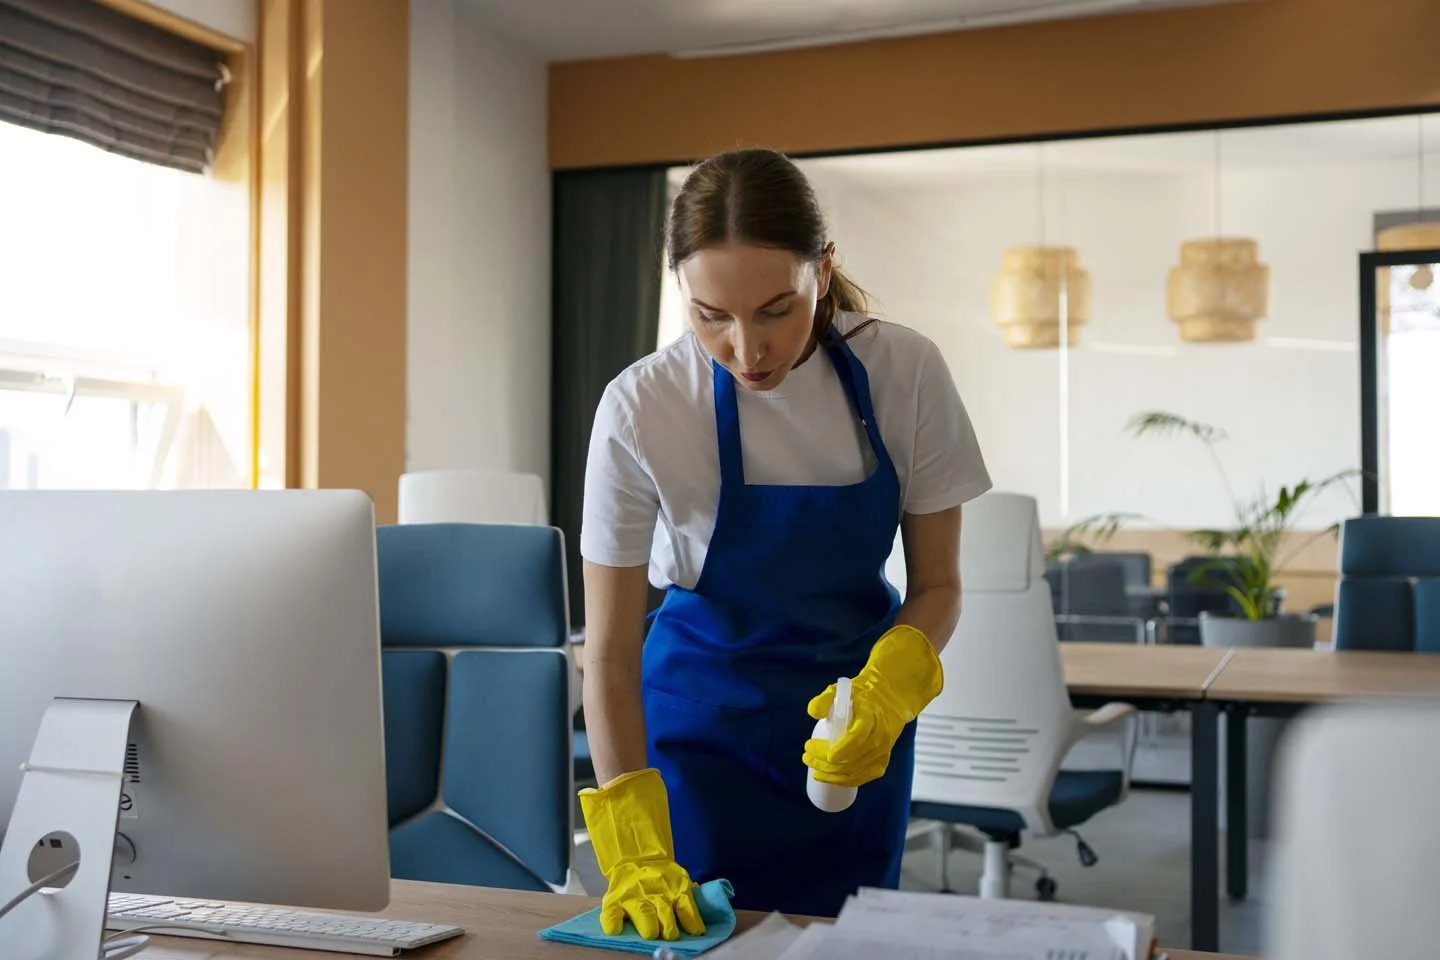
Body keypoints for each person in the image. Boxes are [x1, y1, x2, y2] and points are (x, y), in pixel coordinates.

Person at [577, 147, 991, 941]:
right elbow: (608, 656)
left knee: (845, 945)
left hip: (850, 736)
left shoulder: (904, 372)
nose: (748, 348)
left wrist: (888, 691)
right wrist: (631, 846)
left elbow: (938, 586)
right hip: (696, 742)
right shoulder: (641, 408)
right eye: (712, 316)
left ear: (823, 271)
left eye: (776, 308)